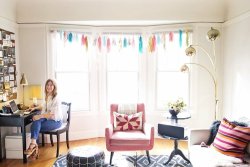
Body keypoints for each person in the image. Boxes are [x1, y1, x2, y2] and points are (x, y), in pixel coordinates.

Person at [24, 79, 63, 159]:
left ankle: (33, 146)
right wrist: (34, 108)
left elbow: (52, 115)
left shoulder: (56, 98)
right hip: (48, 119)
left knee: (34, 125)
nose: (49, 86)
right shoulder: (48, 96)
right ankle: (34, 144)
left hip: (56, 121)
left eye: (51, 85)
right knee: (36, 122)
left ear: (54, 87)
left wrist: (39, 116)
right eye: (47, 85)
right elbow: (43, 106)